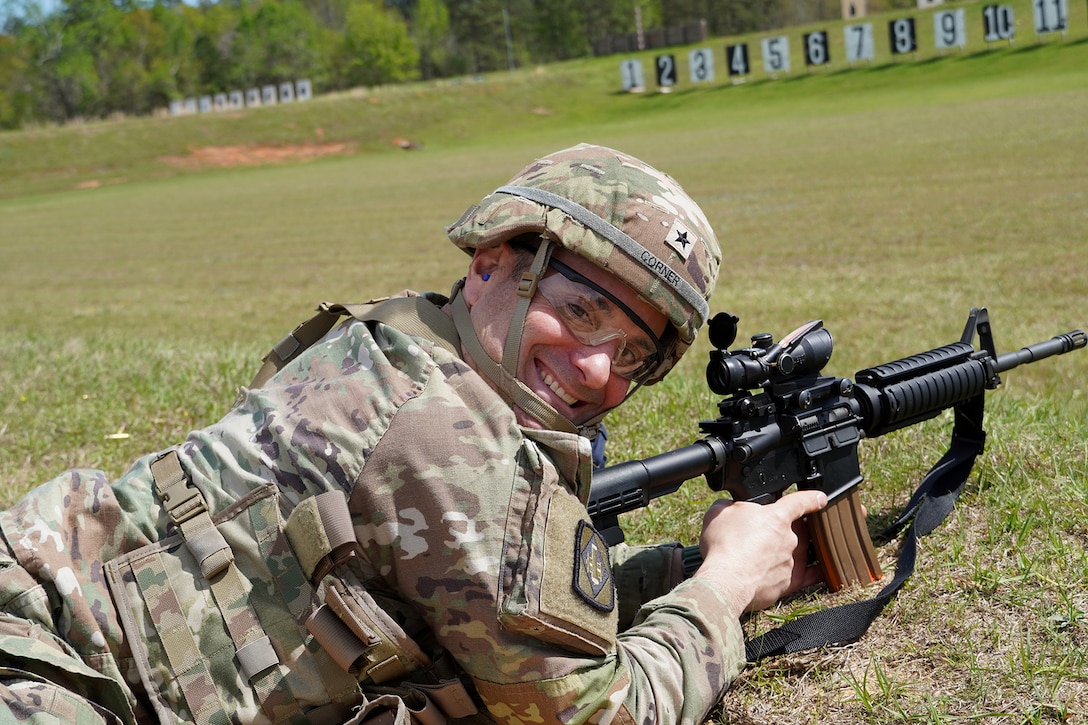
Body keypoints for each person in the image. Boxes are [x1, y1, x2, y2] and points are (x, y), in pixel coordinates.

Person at [0, 143, 827, 724]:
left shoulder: (403, 338)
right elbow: (598, 713)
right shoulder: (453, 440)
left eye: (634, 355)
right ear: (495, 260)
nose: (596, 372)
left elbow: (461, 617)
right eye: (581, 312)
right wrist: (724, 584)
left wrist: (667, 575)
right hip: (50, 673)